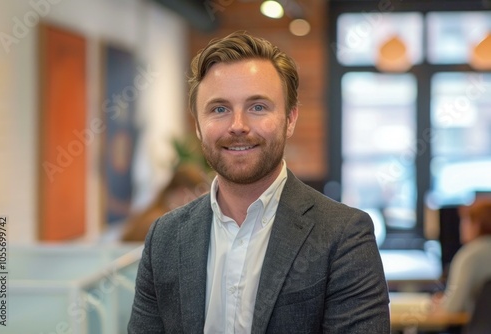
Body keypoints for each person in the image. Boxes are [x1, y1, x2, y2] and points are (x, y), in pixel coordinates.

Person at [128, 31, 390, 333]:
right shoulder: (165, 238)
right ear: (198, 126)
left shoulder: (343, 236)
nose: (238, 126)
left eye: (258, 107)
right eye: (219, 109)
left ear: (290, 119)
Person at [433, 199, 491, 314]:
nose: (461, 226)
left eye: (466, 221)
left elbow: (453, 307)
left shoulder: (470, 255)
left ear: (477, 225)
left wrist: (442, 302)